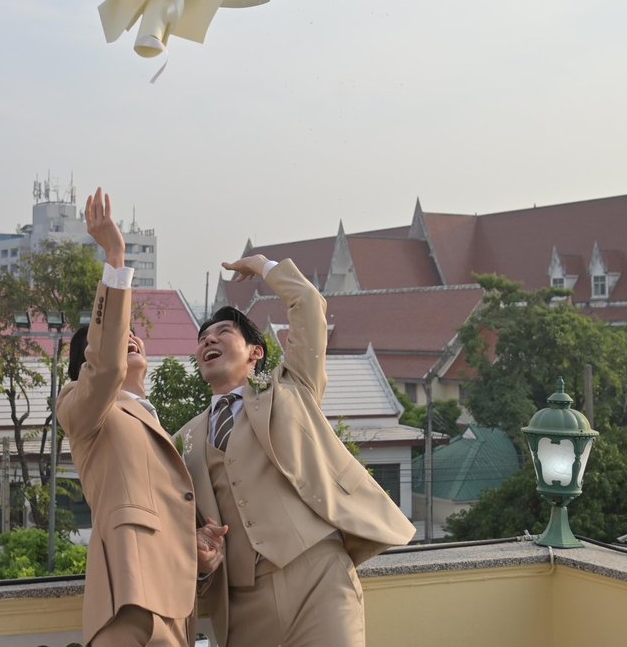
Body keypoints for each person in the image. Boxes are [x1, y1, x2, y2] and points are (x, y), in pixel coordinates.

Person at [176, 254, 416, 647]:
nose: (209, 340)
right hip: (242, 601)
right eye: (202, 339)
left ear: (256, 353)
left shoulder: (290, 388)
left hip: (318, 577)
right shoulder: (183, 439)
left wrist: (262, 266)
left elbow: (307, 302)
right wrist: (201, 559)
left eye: (223, 332)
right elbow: (184, 521)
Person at [57, 188, 225, 647]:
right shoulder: (83, 410)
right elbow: (104, 367)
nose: (129, 338)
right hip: (127, 601)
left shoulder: (156, 426)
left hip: (175, 611)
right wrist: (115, 258)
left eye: (134, 334)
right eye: (119, 335)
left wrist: (200, 555)